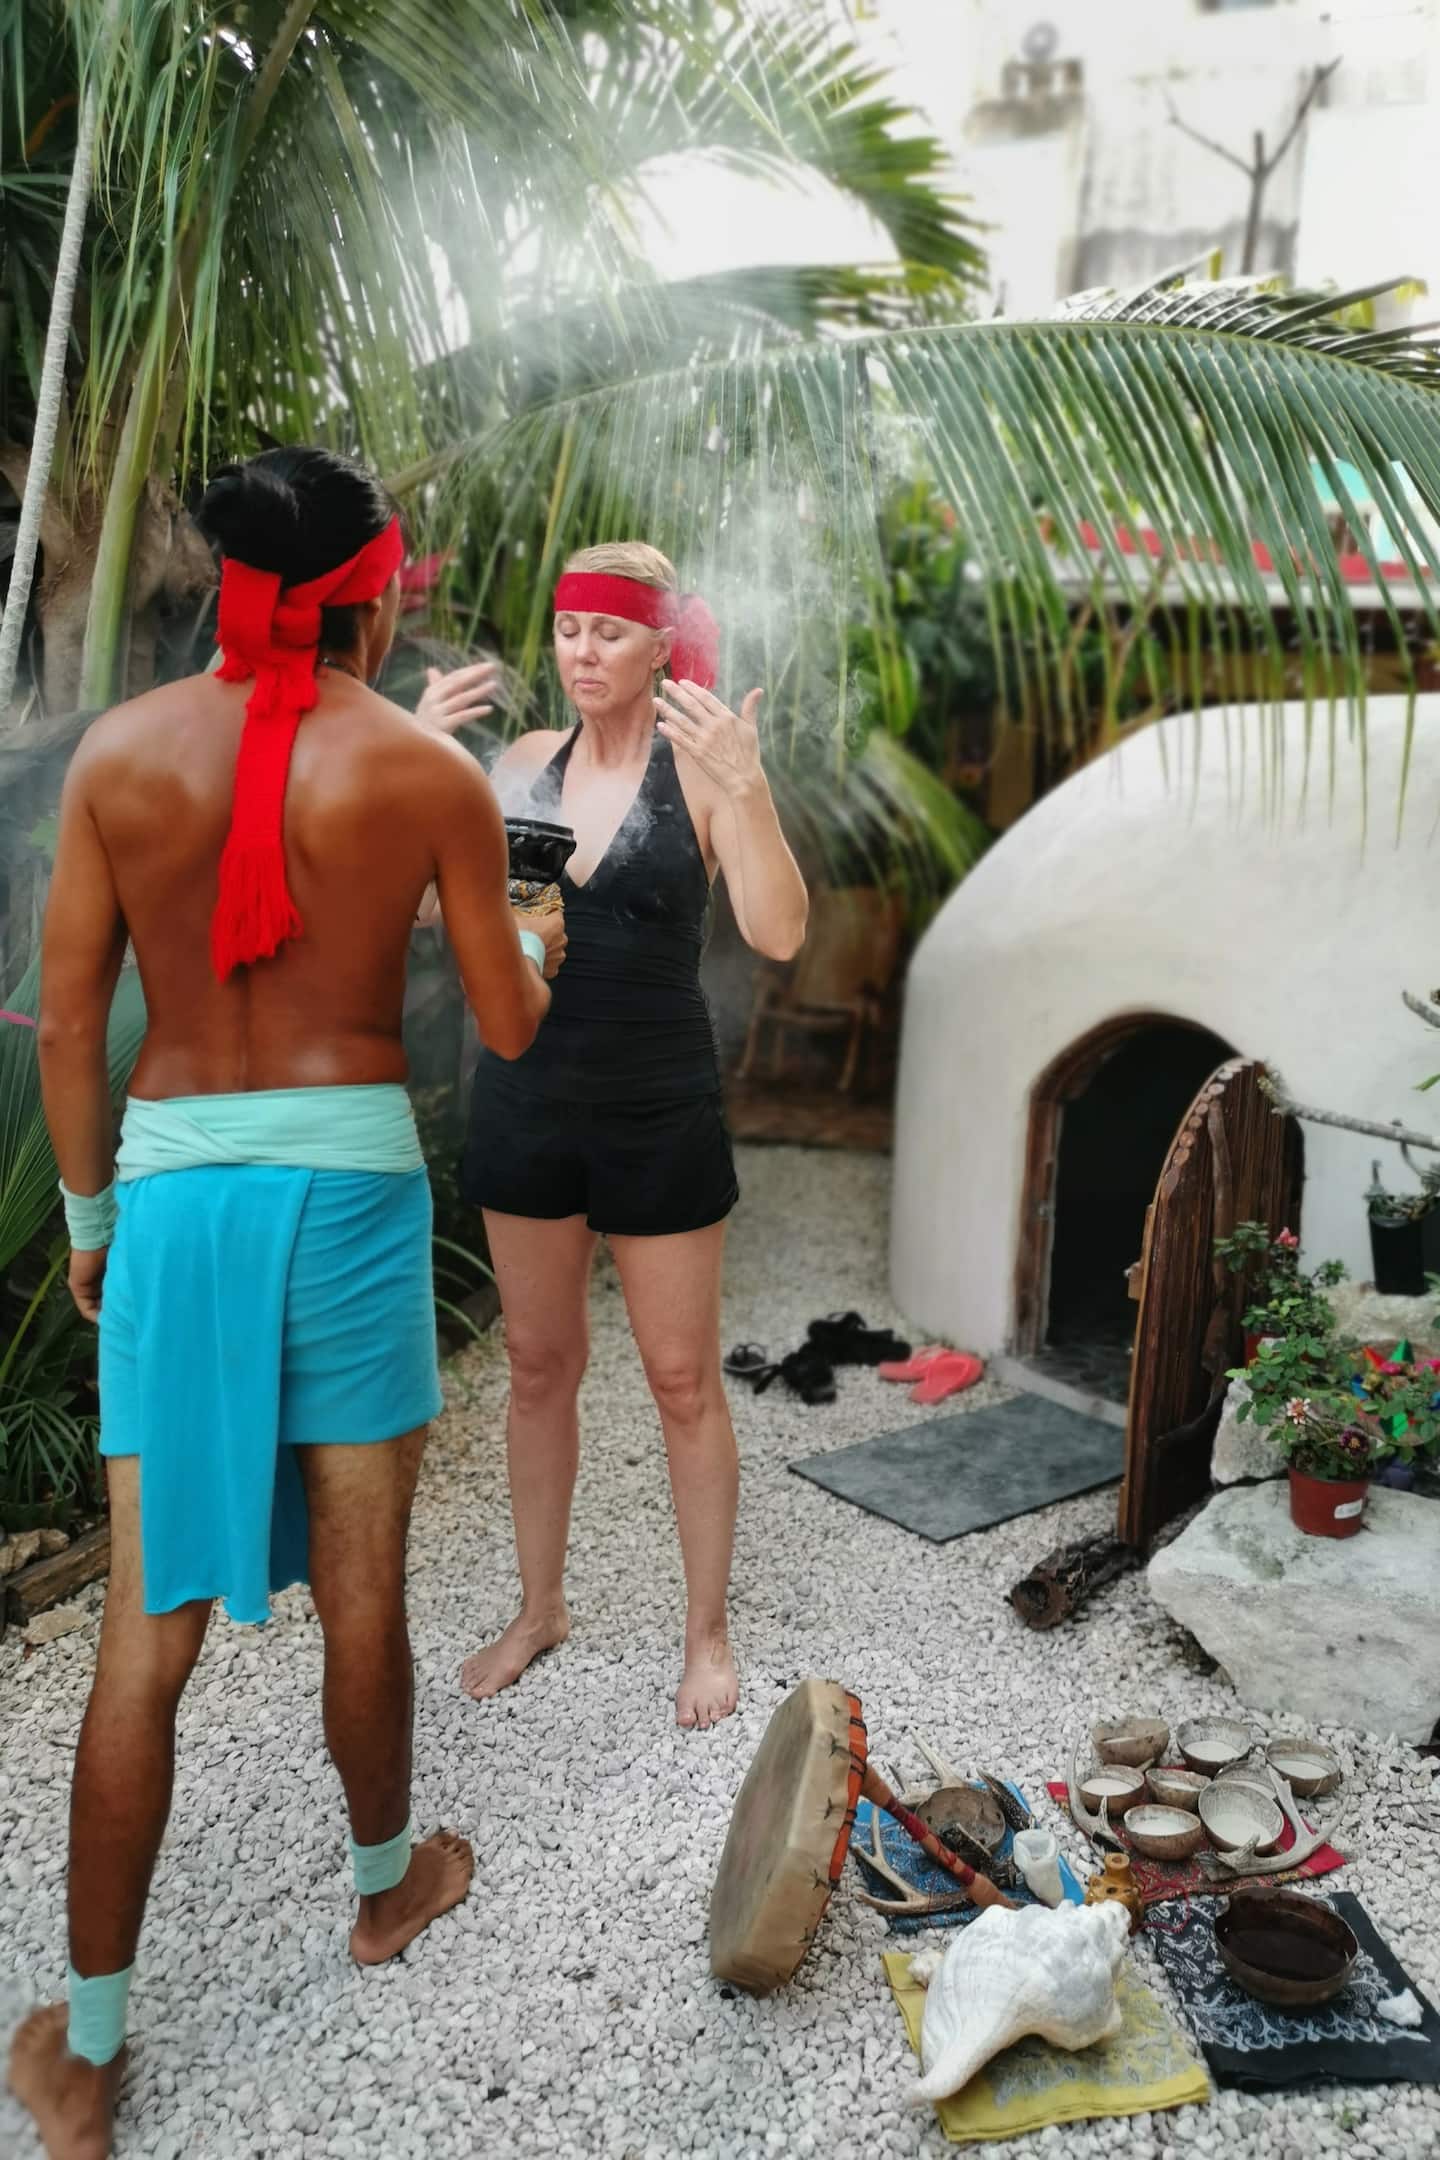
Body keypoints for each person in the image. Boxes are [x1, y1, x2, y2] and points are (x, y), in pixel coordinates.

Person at [6, 446, 565, 2160]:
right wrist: (535, 924)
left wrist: (95, 1219)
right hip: (350, 1198)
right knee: (366, 1586)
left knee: (142, 1640)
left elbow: (65, 1018)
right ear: (372, 596)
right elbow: (511, 1022)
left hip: (173, 1200)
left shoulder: (116, 757)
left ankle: (90, 2051)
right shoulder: (428, 774)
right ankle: (384, 1894)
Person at [448, 542, 808, 1731]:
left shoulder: (701, 772)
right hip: (527, 1099)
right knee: (541, 1369)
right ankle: (540, 1606)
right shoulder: (518, 769)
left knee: (680, 1381)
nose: (582, 651)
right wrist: (413, 746)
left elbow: (778, 933)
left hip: (657, 1109)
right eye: (567, 629)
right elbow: (452, 906)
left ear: (661, 646)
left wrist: (749, 789)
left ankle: (707, 1633)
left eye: (608, 630)